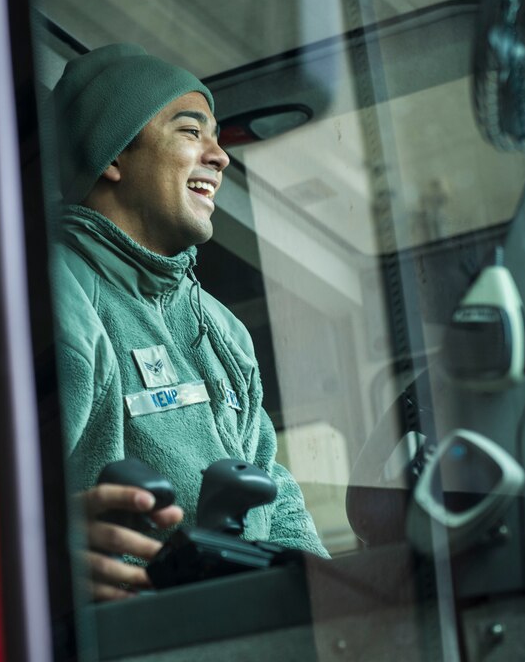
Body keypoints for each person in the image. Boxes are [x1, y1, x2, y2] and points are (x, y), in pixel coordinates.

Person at [48, 44, 328, 602]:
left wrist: (335, 599)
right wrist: (43, 552)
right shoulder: (58, 293)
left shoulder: (221, 328)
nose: (220, 156)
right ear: (114, 157)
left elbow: (274, 489)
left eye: (216, 136)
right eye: (190, 131)